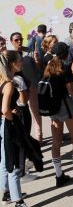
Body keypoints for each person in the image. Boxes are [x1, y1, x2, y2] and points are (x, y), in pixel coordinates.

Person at [43, 42, 73, 187]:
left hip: (53, 108)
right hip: (66, 106)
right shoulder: (64, 66)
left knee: (56, 142)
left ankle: (59, 175)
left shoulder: (48, 66)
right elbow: (71, 90)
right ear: (65, 53)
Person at [0, 65, 28, 207]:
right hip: (7, 125)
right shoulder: (8, 83)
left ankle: (7, 193)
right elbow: (5, 110)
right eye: (18, 60)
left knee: (5, 160)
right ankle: (18, 201)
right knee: (13, 162)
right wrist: (12, 116)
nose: (21, 62)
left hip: (2, 124)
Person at [5, 51, 35, 182]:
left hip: (11, 114)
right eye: (20, 60)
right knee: (22, 142)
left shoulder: (5, 78)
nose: (22, 63)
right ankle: (21, 172)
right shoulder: (17, 80)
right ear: (13, 64)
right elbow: (23, 100)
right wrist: (25, 91)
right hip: (20, 112)